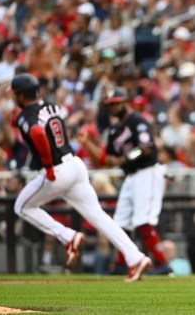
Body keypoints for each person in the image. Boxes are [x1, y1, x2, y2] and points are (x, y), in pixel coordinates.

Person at [8, 73, 151, 282]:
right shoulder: (51, 105)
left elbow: (38, 133)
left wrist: (47, 166)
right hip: (75, 164)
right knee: (99, 216)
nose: (13, 97)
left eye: (15, 94)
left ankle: (68, 236)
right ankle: (136, 257)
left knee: (21, 206)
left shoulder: (26, 115)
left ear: (21, 96)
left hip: (56, 169)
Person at [78, 87, 172, 275]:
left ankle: (162, 264)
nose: (112, 108)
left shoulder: (137, 120)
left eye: (115, 103)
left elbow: (145, 147)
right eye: (110, 105)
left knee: (143, 220)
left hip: (148, 171)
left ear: (124, 102)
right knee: (120, 221)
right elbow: (105, 160)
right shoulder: (114, 130)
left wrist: (124, 158)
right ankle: (122, 264)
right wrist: (87, 143)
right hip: (131, 176)